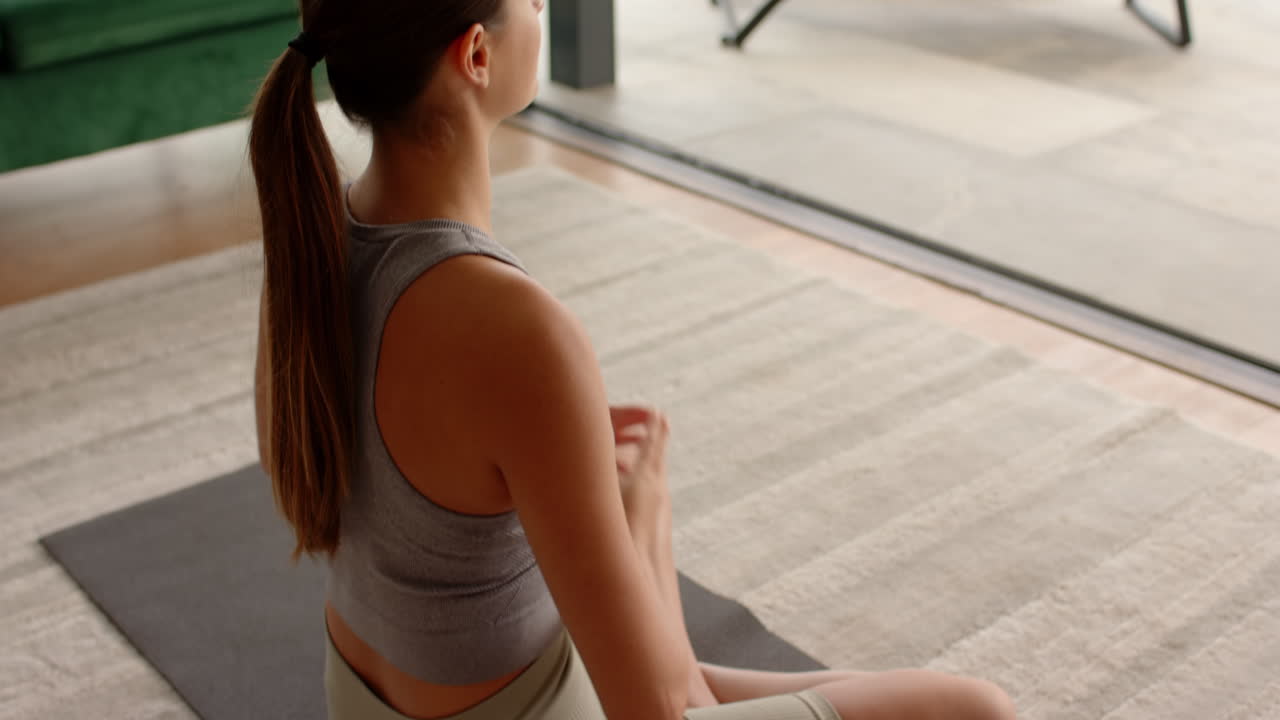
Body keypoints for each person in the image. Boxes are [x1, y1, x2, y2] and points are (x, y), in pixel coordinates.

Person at [248, 1, 1018, 719]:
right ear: (477, 55)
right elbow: (654, 712)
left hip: (382, 696)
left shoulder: (317, 244)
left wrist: (638, 529)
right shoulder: (514, 330)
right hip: (541, 706)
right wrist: (646, 511)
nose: (546, 9)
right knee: (977, 709)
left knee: (847, 690)